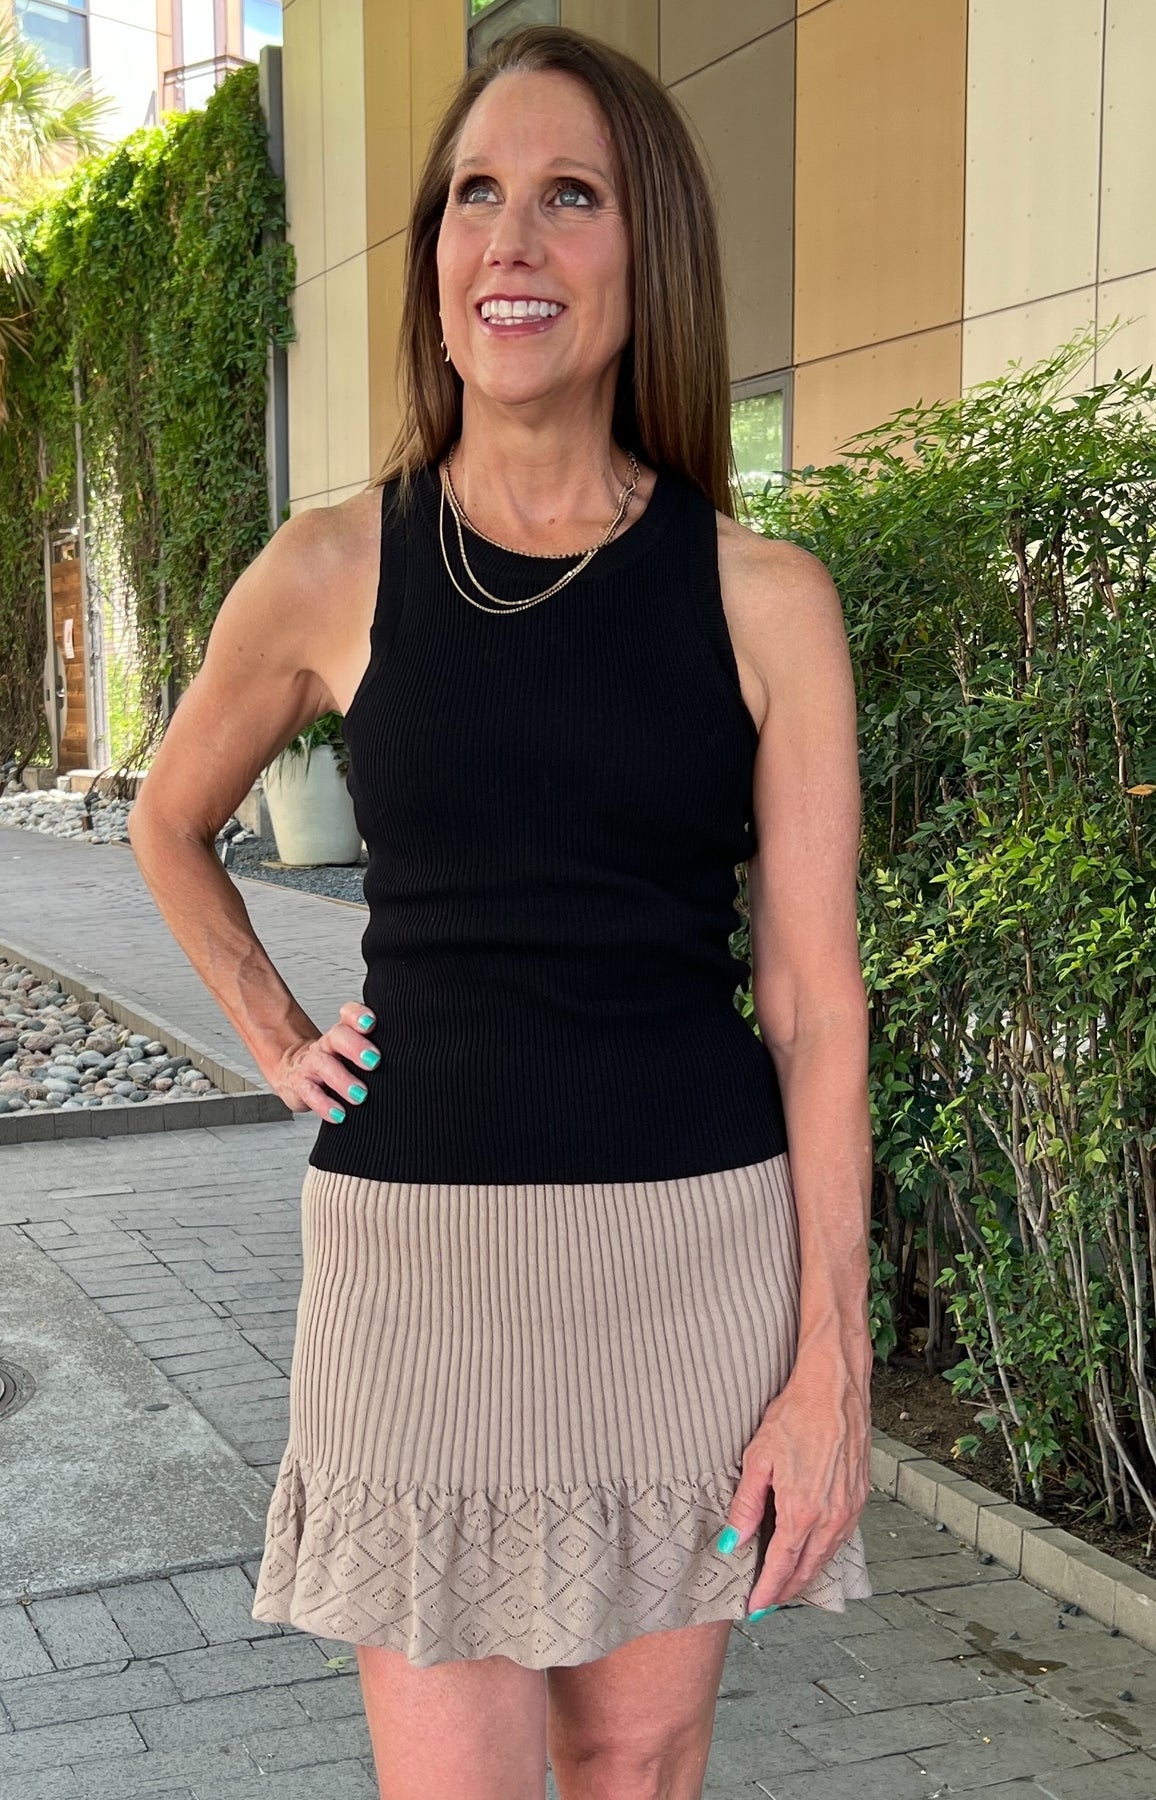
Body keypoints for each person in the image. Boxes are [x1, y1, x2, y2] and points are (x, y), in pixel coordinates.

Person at [127, 22, 874, 1800]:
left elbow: (817, 1000)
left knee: (636, 1759)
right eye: (475, 196)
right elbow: (169, 821)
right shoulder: (331, 565)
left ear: (646, 253)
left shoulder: (764, 598)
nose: (511, 242)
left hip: (695, 1265)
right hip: (417, 1266)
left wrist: (827, 1363)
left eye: (568, 196)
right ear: (434, 258)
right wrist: (269, 1026)